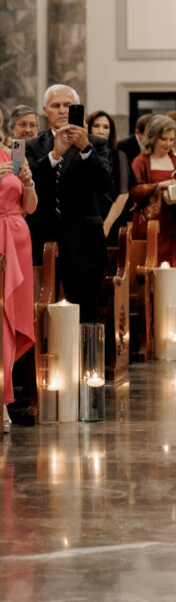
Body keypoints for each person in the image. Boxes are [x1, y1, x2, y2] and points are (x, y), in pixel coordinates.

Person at [26, 85, 113, 323]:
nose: (63, 110)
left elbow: (105, 184)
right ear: (45, 110)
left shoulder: (96, 144)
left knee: (88, 312)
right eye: (56, 105)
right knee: (41, 312)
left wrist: (85, 148)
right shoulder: (32, 145)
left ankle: (88, 361)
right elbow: (29, 183)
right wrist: (54, 155)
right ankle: (45, 360)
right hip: (43, 237)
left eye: (68, 105)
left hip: (84, 240)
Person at [0, 112, 37, 431]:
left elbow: (31, 206)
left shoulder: (12, 154)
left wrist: (28, 182)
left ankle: (4, 398)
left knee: (13, 320)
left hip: (18, 237)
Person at [131, 115, 176, 269]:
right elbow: (134, 190)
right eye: (164, 139)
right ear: (153, 137)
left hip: (173, 224)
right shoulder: (141, 161)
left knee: (173, 267)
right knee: (150, 266)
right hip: (150, 225)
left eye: (171, 140)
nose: (168, 144)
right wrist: (159, 185)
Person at [87, 109, 130, 240]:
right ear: (88, 128)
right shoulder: (79, 155)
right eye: (96, 126)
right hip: (85, 219)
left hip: (112, 219)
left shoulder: (119, 156)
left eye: (105, 127)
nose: (101, 131)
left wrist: (106, 225)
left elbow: (123, 195)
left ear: (110, 132)